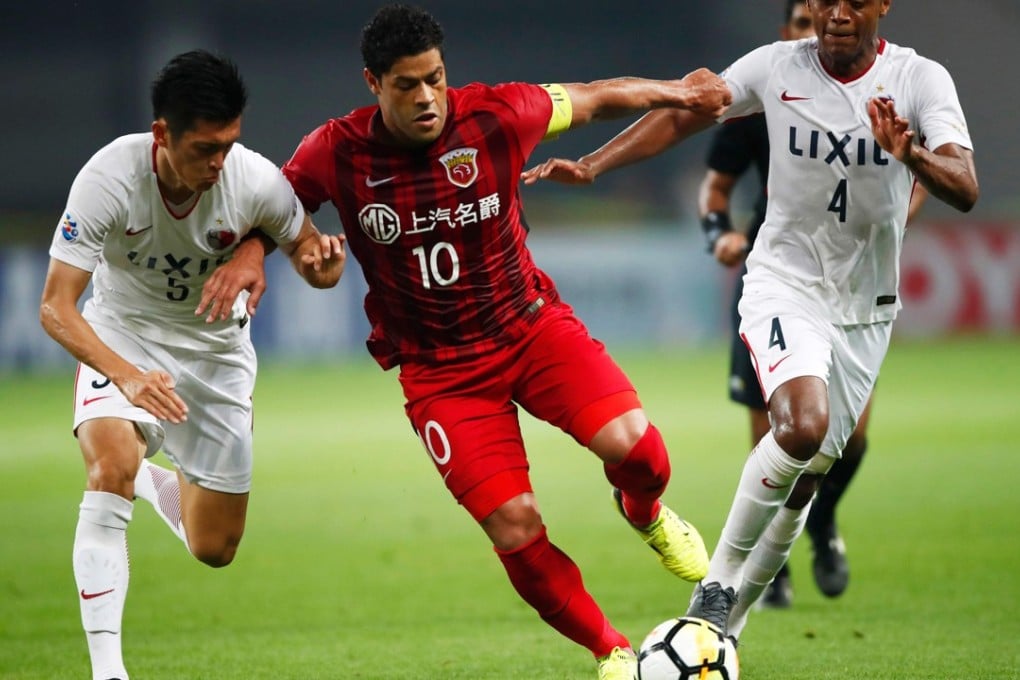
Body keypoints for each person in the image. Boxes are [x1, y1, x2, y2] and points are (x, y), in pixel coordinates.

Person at [220, 4, 729, 678]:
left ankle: (643, 511)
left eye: (434, 77)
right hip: (442, 376)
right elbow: (278, 204)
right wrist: (256, 254)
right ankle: (611, 649)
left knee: (641, 452)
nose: (427, 97)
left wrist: (681, 91)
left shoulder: (495, 114)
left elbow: (598, 98)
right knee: (515, 526)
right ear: (373, 83)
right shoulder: (335, 150)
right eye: (407, 84)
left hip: (530, 329)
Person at [523, 0, 977, 646]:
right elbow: (686, 114)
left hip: (865, 309)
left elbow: (965, 184)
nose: (837, 13)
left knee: (811, 473)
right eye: (824, 1)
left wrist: (911, 153)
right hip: (784, 284)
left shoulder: (919, 80)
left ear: (882, 4)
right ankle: (715, 589)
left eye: (854, 0)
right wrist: (595, 165)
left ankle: (723, 633)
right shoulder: (775, 67)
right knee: (801, 425)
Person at [39, 50, 344, 680]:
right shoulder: (108, 179)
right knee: (110, 467)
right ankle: (108, 671)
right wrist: (122, 372)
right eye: (205, 148)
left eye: (228, 145)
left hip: (216, 352)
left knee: (214, 548)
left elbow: (316, 260)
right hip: (123, 334)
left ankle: (154, 480)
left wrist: (324, 264)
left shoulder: (253, 180)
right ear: (161, 135)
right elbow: (55, 308)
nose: (218, 163)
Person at [697, 0, 926, 609]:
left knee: (840, 447)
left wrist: (897, 211)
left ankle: (820, 523)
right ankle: (744, 583)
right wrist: (716, 230)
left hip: (857, 289)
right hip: (777, 277)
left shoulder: (893, 91)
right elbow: (714, 185)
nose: (823, 26)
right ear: (790, 32)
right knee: (787, 428)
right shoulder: (763, 92)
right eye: (807, 18)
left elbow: (928, 176)